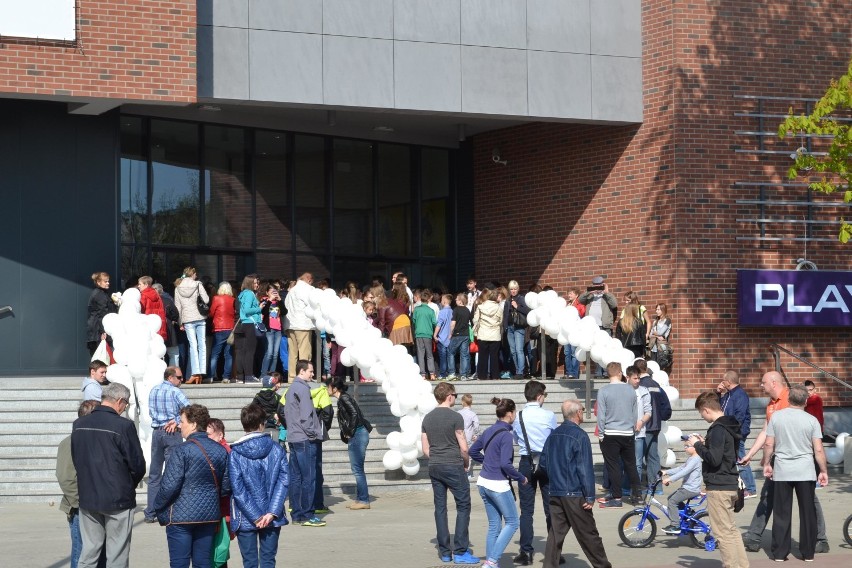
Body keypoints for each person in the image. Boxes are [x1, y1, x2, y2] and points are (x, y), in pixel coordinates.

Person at [740, 371, 830, 553]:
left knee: (808, 499)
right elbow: (766, 431)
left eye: (763, 382)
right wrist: (751, 454)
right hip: (781, 460)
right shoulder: (772, 404)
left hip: (795, 459)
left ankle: (820, 538)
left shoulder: (790, 400)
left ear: (773, 383)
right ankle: (755, 535)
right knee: (768, 495)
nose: (761, 385)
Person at [71, 382, 145, 568]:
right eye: (125, 404)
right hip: (117, 499)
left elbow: (76, 459)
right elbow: (137, 464)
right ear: (119, 401)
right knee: (117, 556)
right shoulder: (124, 426)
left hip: (88, 497)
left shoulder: (79, 424)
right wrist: (128, 484)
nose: (124, 408)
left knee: (89, 552)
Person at [153, 404, 230, 568]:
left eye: (182, 421)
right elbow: (225, 487)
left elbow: (169, 486)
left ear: (194, 424)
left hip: (181, 518)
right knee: (202, 563)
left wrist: (158, 507)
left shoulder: (181, 450)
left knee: (179, 563)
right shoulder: (220, 451)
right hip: (208, 516)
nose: (179, 425)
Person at [540, 399, 611, 568]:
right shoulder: (579, 435)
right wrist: (590, 496)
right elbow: (584, 468)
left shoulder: (553, 435)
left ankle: (549, 565)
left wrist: (555, 479)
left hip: (556, 491)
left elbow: (543, 464)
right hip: (573, 493)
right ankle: (602, 565)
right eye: (583, 410)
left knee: (555, 534)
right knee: (588, 534)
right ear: (578, 413)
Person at [763, 384, 828, 562]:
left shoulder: (776, 417)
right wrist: (823, 470)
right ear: (805, 401)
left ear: (789, 399)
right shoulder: (811, 420)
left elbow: (769, 444)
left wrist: (767, 463)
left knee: (782, 512)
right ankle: (808, 553)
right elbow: (819, 450)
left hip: (783, 469)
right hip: (805, 470)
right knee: (808, 512)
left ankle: (779, 553)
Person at [688, 391, 749, 568]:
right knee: (731, 530)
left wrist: (697, 445)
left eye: (701, 412)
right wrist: (705, 444)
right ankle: (742, 565)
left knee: (722, 533)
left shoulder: (717, 429)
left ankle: (732, 565)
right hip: (729, 482)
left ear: (706, 409)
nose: (702, 416)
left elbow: (714, 459)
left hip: (719, 485)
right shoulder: (729, 425)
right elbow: (723, 453)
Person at [421, 381, 479, 564]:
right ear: (449, 396)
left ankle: (445, 551)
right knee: (463, 505)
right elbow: (463, 445)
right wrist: (466, 462)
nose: (455, 397)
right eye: (454, 394)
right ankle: (461, 550)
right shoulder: (455, 417)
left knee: (440, 507)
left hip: (435, 465)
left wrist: (436, 457)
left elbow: (425, 449)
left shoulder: (427, 418)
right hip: (453, 464)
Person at [229, 403, 290, 568]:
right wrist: (271, 512)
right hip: (271, 516)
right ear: (262, 424)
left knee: (249, 563)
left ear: (244, 425)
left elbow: (238, 489)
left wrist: (256, 516)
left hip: (245, 516)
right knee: (268, 561)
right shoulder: (277, 449)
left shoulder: (235, 453)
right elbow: (283, 482)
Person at [469, 397, 526, 568]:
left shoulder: (488, 431)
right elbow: (505, 464)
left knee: (494, 524)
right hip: (498, 485)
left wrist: (486, 461)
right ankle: (492, 561)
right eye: (514, 412)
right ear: (509, 414)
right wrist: (521, 478)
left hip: (483, 483)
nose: (515, 415)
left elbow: (473, 451)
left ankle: (490, 562)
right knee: (512, 522)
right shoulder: (506, 436)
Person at [512, 380, 558, 565]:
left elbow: (516, 439)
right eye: (544, 396)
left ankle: (526, 552)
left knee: (526, 510)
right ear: (539, 396)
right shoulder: (548, 415)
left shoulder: (518, 416)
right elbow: (554, 438)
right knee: (551, 509)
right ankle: (554, 552)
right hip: (546, 462)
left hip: (526, 461)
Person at [57, 400, 103, 568]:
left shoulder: (97, 440)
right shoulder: (70, 442)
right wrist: (81, 502)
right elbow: (65, 477)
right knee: (81, 552)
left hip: (96, 506)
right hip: (80, 508)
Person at [144, 366, 191, 523]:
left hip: (157, 432)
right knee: (173, 473)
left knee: (155, 474)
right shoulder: (175, 392)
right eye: (179, 377)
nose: (181, 380)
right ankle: (169, 509)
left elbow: (150, 413)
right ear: (170, 378)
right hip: (172, 433)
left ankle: (150, 512)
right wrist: (177, 421)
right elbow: (190, 410)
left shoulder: (154, 390)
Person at [283, 360, 326, 527]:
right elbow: (307, 416)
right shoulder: (302, 388)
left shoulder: (291, 388)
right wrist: (314, 433)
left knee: (295, 477)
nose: (312, 374)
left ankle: (297, 514)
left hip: (293, 437)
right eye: (310, 371)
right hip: (304, 439)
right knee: (309, 477)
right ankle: (308, 514)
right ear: (302, 371)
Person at [596, 362, 641, 508]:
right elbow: (635, 413)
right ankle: (637, 495)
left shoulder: (603, 391)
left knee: (613, 466)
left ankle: (616, 497)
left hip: (610, 432)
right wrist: (633, 428)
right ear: (620, 373)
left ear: (608, 374)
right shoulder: (630, 390)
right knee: (631, 465)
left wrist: (601, 433)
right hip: (627, 432)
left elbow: (601, 415)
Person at [327, 377, 373, 509]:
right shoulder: (342, 399)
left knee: (357, 469)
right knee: (357, 469)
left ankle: (364, 500)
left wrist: (350, 432)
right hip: (357, 434)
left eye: (328, 387)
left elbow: (354, 414)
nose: (326, 389)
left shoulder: (344, 398)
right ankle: (360, 499)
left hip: (358, 434)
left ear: (334, 388)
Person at [717, 370, 755, 497]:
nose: (722, 383)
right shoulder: (728, 395)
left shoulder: (740, 395)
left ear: (728, 382)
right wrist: (718, 393)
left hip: (737, 432)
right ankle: (732, 485)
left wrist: (731, 428)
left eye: (723, 380)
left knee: (741, 458)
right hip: (728, 430)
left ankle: (750, 488)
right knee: (731, 458)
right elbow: (719, 409)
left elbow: (740, 415)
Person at [635, 358, 671, 487]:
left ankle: (635, 488)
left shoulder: (639, 385)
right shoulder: (656, 384)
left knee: (637, 458)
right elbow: (666, 406)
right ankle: (656, 486)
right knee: (653, 456)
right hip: (655, 425)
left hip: (644, 425)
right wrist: (662, 417)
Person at [174, 266, 210, 382]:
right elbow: (207, 300)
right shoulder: (198, 284)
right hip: (200, 317)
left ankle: (195, 372)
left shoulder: (178, 287)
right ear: (192, 274)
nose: (196, 276)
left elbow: (178, 307)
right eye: (195, 274)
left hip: (187, 319)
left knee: (193, 346)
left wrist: (180, 322)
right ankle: (201, 372)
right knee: (202, 345)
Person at [660, 440, 703, 534]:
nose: (685, 448)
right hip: (687, 488)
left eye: (687, 446)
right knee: (671, 497)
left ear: (695, 448)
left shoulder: (695, 459)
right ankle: (689, 513)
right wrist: (666, 472)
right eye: (684, 446)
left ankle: (675, 525)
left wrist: (669, 479)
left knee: (672, 501)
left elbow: (684, 471)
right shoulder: (691, 458)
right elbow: (680, 468)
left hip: (691, 489)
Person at [578, 277, 617, 375]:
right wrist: (589, 292)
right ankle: (598, 372)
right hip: (592, 327)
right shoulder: (590, 296)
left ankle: (606, 372)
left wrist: (606, 292)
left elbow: (614, 304)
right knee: (596, 350)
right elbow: (580, 300)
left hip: (604, 326)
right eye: (595, 285)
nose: (598, 287)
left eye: (600, 285)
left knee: (605, 348)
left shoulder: (607, 296)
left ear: (603, 285)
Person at [625, 366, 652, 497]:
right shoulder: (622, 391)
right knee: (624, 461)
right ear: (627, 378)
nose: (637, 381)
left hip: (639, 433)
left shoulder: (644, 391)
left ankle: (635, 491)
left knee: (637, 463)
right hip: (624, 432)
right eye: (635, 378)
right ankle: (625, 487)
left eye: (638, 378)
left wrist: (641, 422)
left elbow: (648, 411)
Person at [284, 273, 314, 380]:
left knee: (292, 353)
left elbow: (286, 305)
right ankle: (303, 377)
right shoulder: (308, 290)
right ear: (309, 279)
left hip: (291, 324)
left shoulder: (292, 290)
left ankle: (291, 377)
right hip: (303, 324)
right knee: (304, 353)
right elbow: (313, 304)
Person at [237, 274, 264, 384]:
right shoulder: (249, 294)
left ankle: (246, 375)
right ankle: (249, 376)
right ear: (249, 283)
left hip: (245, 324)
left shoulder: (243, 294)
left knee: (245, 351)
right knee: (250, 351)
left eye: (257, 282)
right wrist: (259, 308)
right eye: (255, 283)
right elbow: (247, 310)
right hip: (250, 324)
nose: (257, 285)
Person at [209, 281, 236, 383]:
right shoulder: (233, 300)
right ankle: (226, 377)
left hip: (219, 328)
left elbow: (211, 313)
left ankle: (210, 376)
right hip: (230, 328)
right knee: (228, 355)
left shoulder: (216, 298)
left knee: (215, 354)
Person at [473, 288, 503, 380]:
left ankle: (482, 376)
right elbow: (500, 321)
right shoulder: (498, 307)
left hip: (483, 334)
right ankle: (495, 376)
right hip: (495, 335)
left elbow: (475, 320)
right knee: (494, 356)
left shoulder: (480, 306)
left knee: (483, 356)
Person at [86, 271, 117, 356]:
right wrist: (103, 331)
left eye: (108, 281)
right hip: (98, 331)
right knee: (100, 357)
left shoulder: (102, 293)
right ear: (98, 282)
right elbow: (102, 314)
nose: (108, 283)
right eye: (105, 281)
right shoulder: (99, 295)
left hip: (97, 330)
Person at [505, 280, 530, 378]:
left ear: (518, 289)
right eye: (511, 289)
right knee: (513, 350)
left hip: (519, 327)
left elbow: (527, 311)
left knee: (519, 349)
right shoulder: (507, 300)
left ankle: (521, 371)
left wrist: (517, 306)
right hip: (510, 327)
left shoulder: (521, 299)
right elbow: (505, 314)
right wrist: (505, 326)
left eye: (515, 289)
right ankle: (517, 370)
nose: (513, 291)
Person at [154, 283, 182, 368]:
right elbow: (175, 314)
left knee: (156, 354)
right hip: (168, 328)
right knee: (173, 353)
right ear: (161, 291)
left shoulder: (149, 302)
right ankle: (173, 375)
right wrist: (172, 320)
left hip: (154, 330)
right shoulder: (167, 300)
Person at [412, 289, 438, 379]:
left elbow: (414, 321)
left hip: (419, 334)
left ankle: (422, 374)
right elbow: (435, 322)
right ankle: (432, 373)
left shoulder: (416, 310)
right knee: (429, 355)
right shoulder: (431, 311)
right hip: (428, 334)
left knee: (420, 354)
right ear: (428, 299)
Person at [260, 282, 283, 377]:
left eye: (275, 291)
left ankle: (272, 375)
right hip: (269, 329)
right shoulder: (264, 300)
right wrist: (270, 300)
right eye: (271, 292)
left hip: (278, 329)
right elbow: (264, 311)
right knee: (269, 353)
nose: (274, 293)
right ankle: (263, 375)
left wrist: (280, 301)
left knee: (275, 354)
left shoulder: (278, 302)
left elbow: (285, 312)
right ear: (267, 292)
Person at [447, 293, 472, 380]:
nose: (455, 300)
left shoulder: (456, 310)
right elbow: (471, 322)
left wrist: (450, 333)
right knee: (464, 354)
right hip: (465, 334)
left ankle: (452, 372)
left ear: (461, 301)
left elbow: (453, 323)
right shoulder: (467, 310)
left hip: (457, 334)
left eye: (457, 299)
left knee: (450, 352)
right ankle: (463, 374)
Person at [562, 288, 585, 379]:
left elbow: (582, 314)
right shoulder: (568, 305)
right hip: (566, 333)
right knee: (567, 353)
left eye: (571, 294)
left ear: (576, 295)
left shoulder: (579, 305)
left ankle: (574, 373)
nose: (569, 295)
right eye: (569, 293)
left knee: (573, 352)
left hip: (574, 332)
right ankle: (569, 372)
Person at [138, 276, 167, 342]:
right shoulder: (156, 295)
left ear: (146, 285)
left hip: (147, 326)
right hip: (157, 326)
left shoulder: (143, 295)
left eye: (140, 284)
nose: (138, 286)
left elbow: (140, 311)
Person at [252, 373, 283, 438]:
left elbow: (253, 410)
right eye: (277, 382)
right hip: (275, 425)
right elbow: (281, 411)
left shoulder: (258, 396)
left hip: (261, 426)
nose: (279, 385)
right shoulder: (277, 397)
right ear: (273, 384)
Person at [458, 393, 480, 480]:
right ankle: (467, 472)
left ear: (462, 402)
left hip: (459, 436)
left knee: (460, 454)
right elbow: (477, 425)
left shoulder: (458, 413)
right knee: (468, 455)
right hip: (469, 436)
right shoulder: (473, 414)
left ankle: (461, 472)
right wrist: (476, 434)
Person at [434, 293, 454, 380]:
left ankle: (443, 373)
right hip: (450, 337)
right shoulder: (453, 311)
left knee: (442, 357)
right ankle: (451, 372)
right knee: (450, 356)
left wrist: (435, 334)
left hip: (442, 338)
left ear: (445, 301)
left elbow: (439, 324)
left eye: (442, 300)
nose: (441, 301)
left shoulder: (442, 312)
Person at [647, 303, 672, 368]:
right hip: (653, 348)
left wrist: (655, 334)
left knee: (661, 366)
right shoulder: (655, 321)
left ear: (663, 310)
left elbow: (661, 332)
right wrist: (657, 336)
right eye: (656, 309)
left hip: (661, 347)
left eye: (658, 309)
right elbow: (650, 335)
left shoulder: (667, 321)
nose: (656, 311)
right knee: (653, 367)